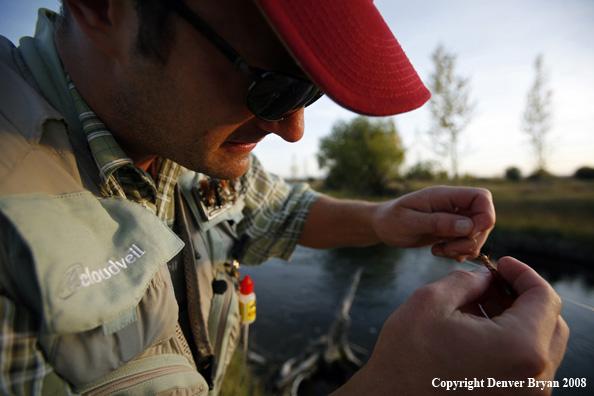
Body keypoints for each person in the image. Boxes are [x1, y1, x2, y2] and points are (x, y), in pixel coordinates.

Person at [0, 0, 568, 395]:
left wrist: (384, 218)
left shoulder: (176, 131)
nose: (293, 128)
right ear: (102, 8)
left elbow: (276, 209)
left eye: (312, 89)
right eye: (270, 84)